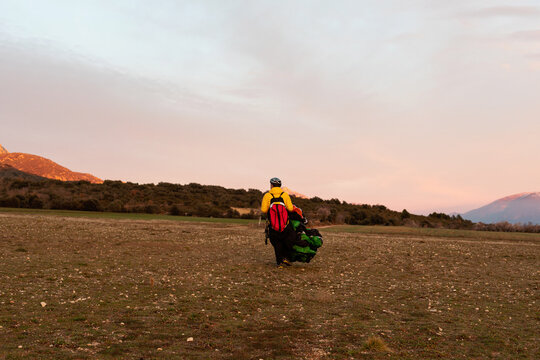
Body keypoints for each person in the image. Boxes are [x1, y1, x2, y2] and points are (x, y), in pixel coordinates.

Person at [261, 177, 296, 267]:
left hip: (273, 224)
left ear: (271, 185)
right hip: (285, 224)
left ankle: (279, 262)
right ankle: (286, 258)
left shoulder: (267, 195)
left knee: (276, 242)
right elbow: (290, 208)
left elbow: (264, 210)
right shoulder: (285, 195)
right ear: (280, 186)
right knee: (288, 239)